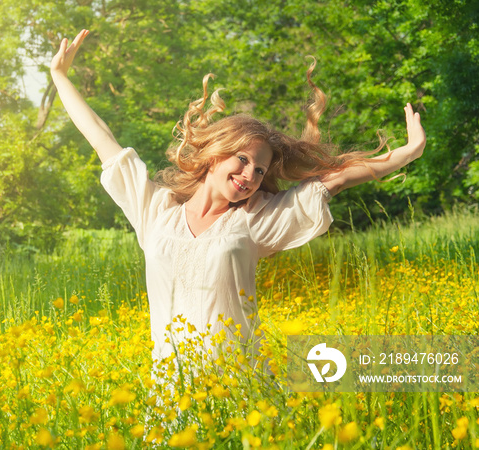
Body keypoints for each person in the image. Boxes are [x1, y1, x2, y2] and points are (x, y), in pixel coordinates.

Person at [50, 29, 426, 368]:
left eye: (260, 171)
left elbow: (337, 179)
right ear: (215, 153)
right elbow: (105, 143)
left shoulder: (256, 219)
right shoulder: (156, 212)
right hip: (169, 389)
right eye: (243, 160)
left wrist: (407, 153)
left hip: (235, 382)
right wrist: (60, 78)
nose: (250, 175)